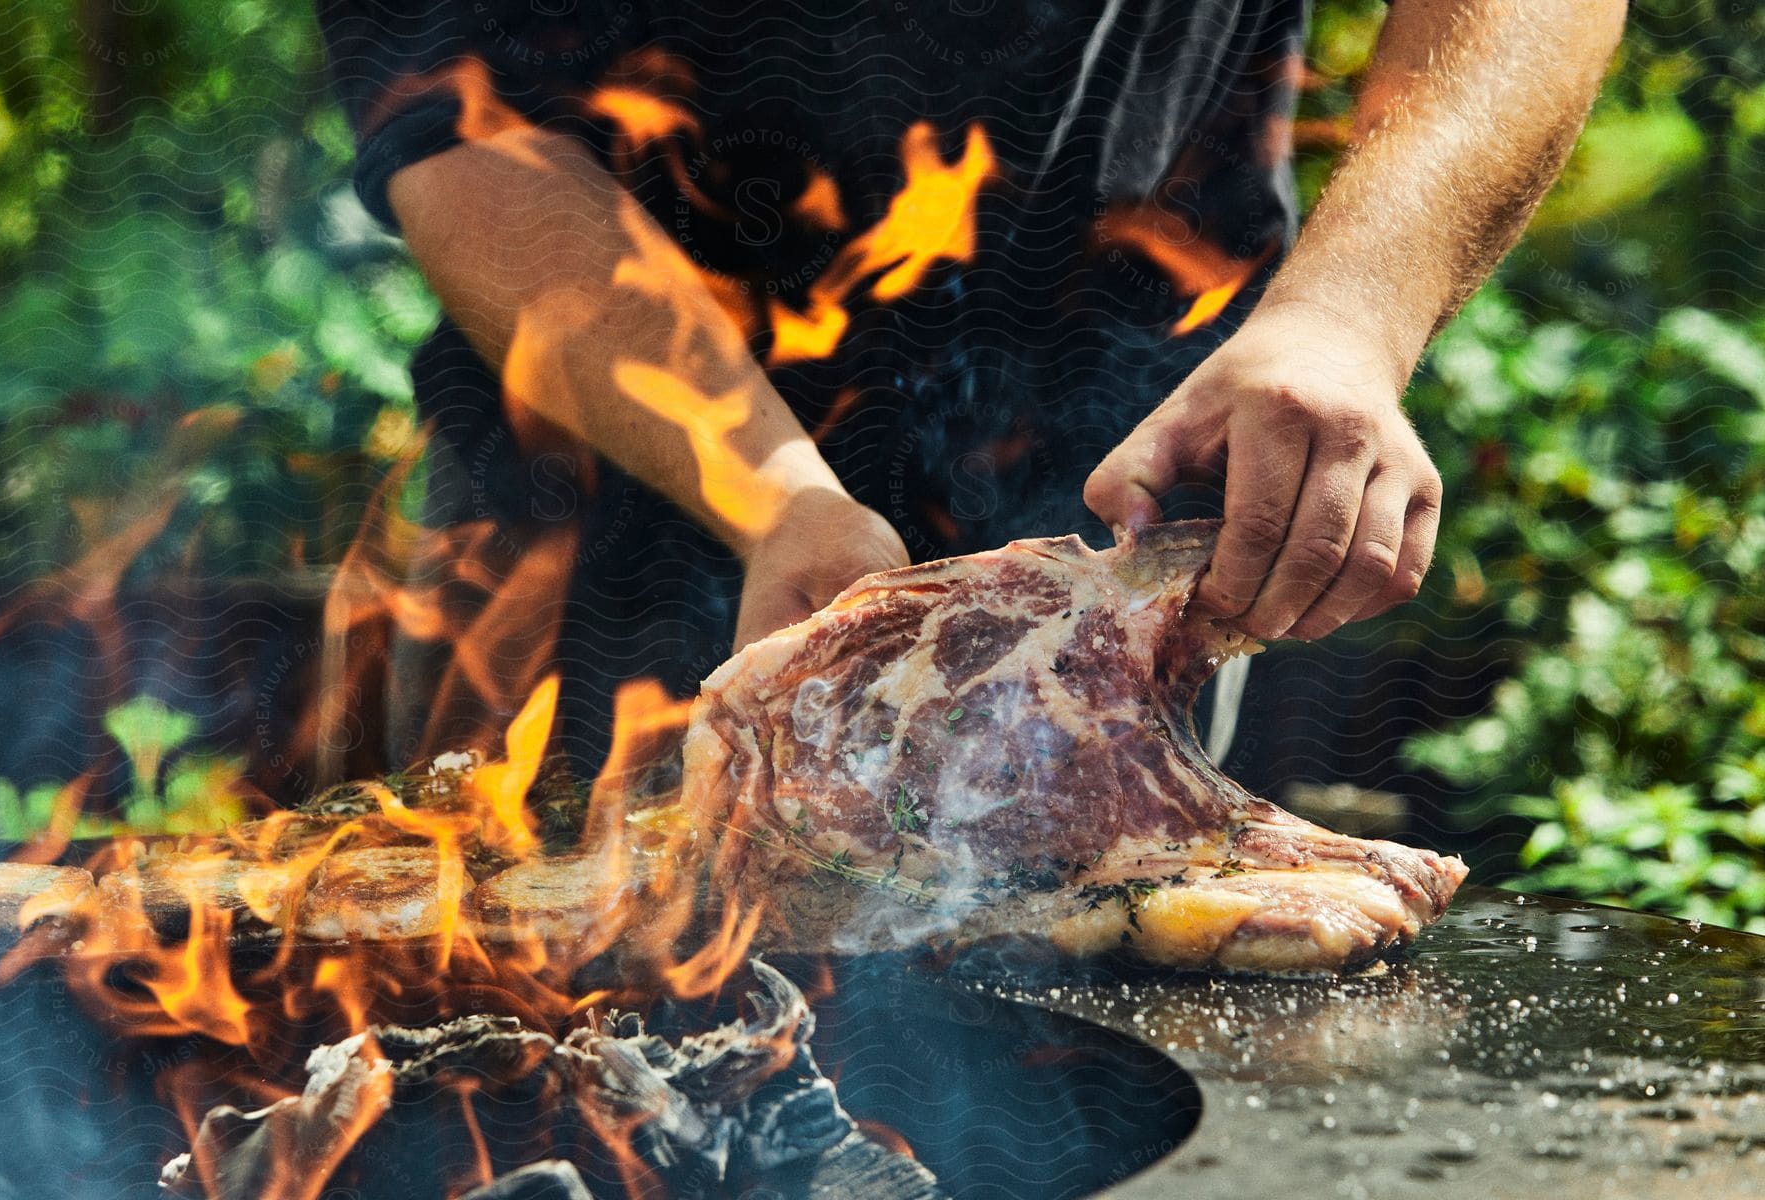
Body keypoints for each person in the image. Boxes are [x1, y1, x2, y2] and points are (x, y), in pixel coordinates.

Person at [314, 0, 1625, 781]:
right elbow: (467, 129)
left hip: (1121, 533)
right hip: (591, 526)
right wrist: (774, 498)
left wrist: (1351, 315)